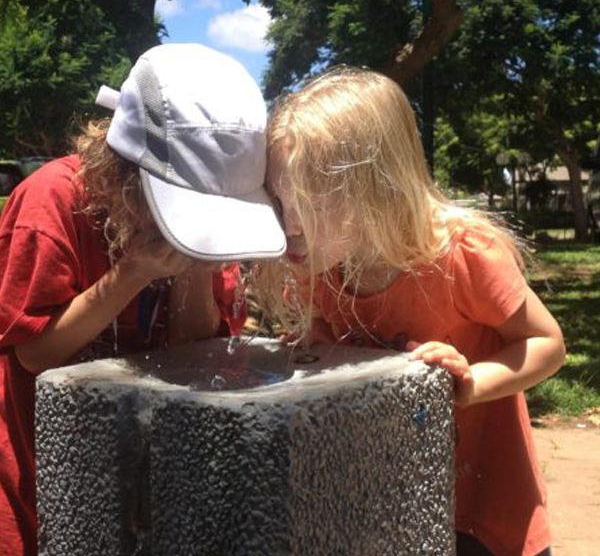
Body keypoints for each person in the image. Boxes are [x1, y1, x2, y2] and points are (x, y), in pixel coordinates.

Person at [262, 67, 565, 556]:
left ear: (374, 189)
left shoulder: (462, 255)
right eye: (278, 200)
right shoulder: (323, 270)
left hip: (484, 501)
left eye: (311, 204)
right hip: (392, 493)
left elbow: (548, 345)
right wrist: (310, 351)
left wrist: (471, 383)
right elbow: (325, 340)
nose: (290, 225)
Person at [0, 43, 285, 556]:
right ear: (124, 175)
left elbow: (195, 352)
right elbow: (34, 354)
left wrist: (194, 262)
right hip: (41, 483)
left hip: (148, 480)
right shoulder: (52, 201)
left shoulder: (204, 225)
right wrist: (133, 272)